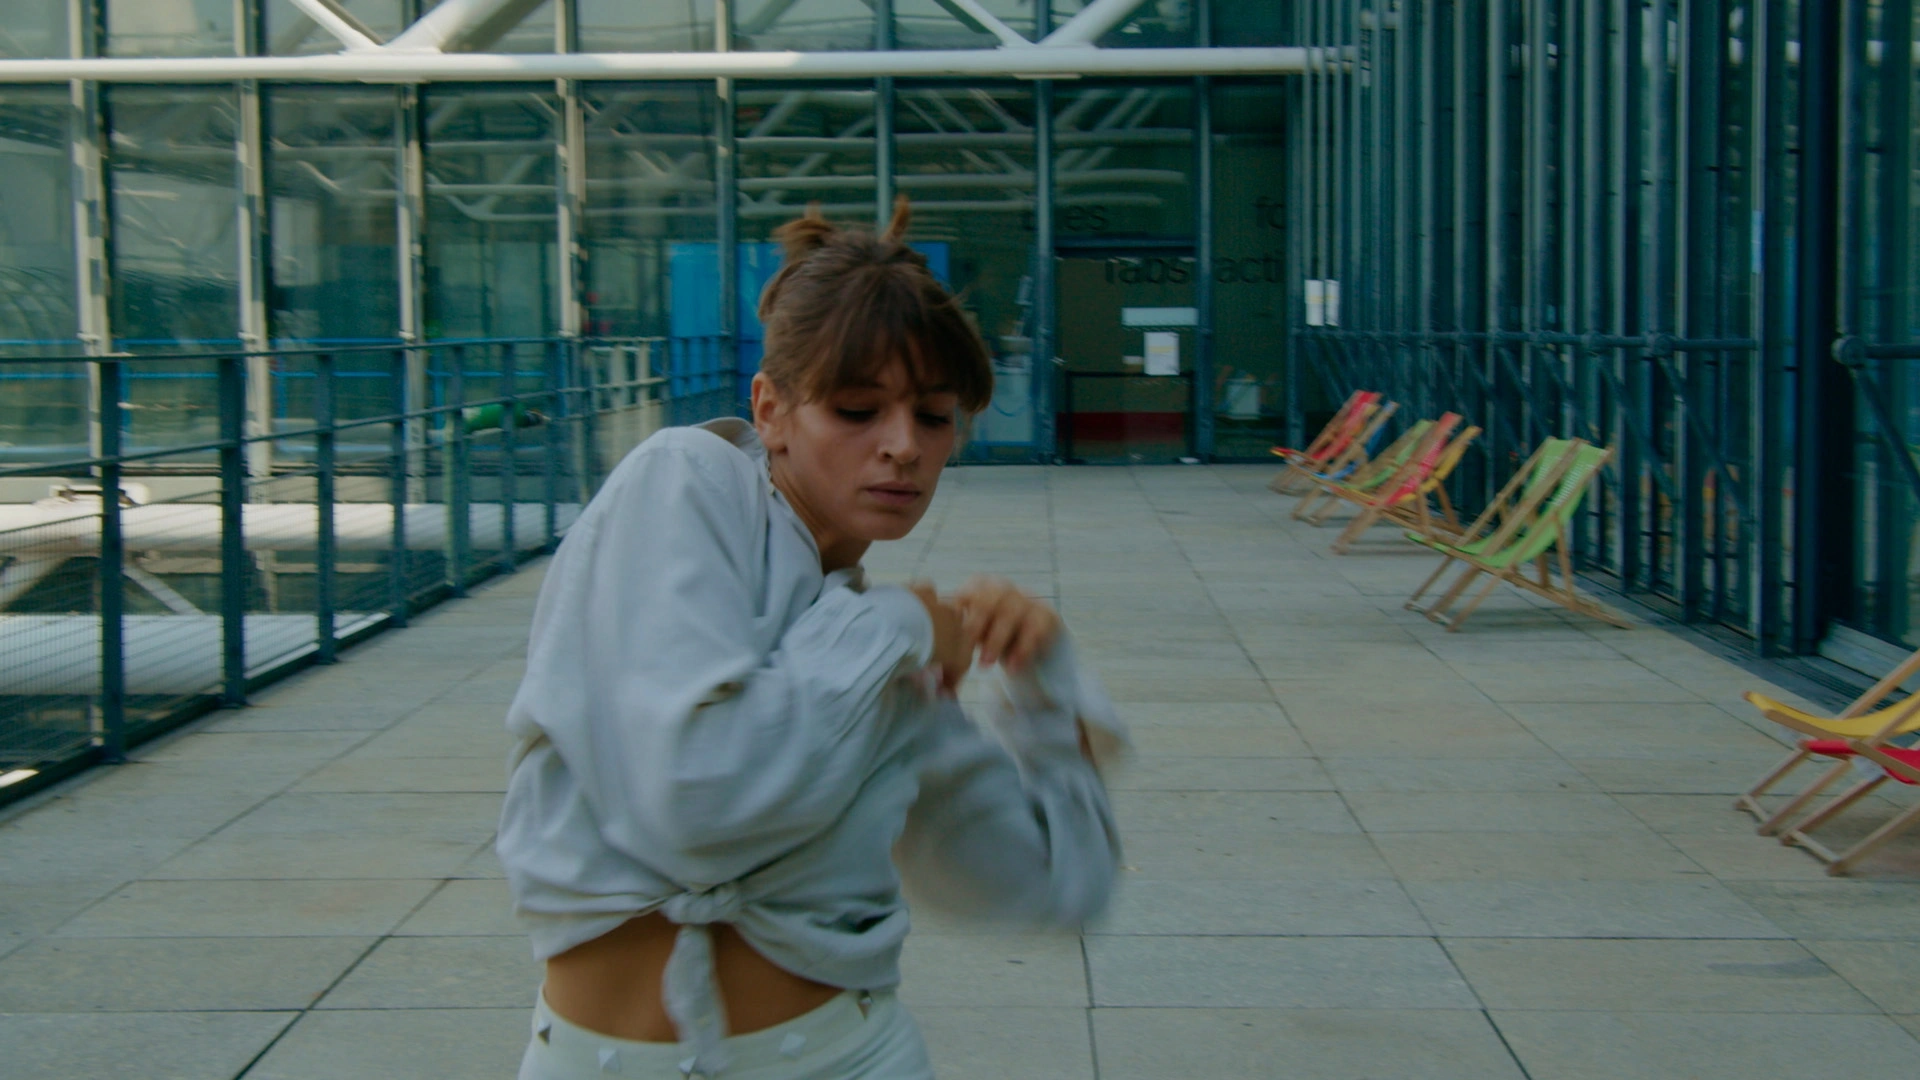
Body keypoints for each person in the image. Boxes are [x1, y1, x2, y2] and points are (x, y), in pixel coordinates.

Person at [498, 197, 1126, 1080]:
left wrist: (1046, 681)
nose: (903, 447)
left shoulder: (887, 660)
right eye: (858, 409)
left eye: (934, 416)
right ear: (771, 409)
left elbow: (1048, 882)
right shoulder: (686, 482)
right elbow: (693, 805)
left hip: (847, 1057)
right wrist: (901, 625)